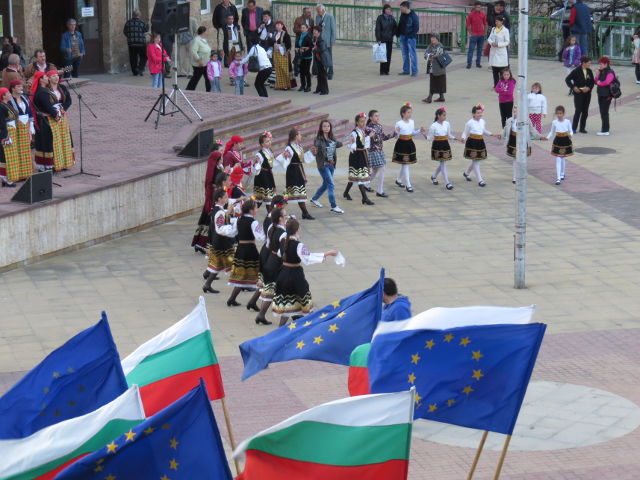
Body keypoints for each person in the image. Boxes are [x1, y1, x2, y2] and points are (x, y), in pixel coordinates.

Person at [272, 217, 338, 323]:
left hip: (283, 273)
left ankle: (283, 328)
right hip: (295, 276)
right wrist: (328, 253)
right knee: (300, 300)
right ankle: (305, 325)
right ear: (297, 229)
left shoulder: (284, 239)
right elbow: (309, 257)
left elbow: (280, 253)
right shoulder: (298, 245)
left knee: (287, 304)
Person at [226, 199, 266, 309]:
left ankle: (232, 298)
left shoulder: (239, 219)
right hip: (250, 250)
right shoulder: (253, 222)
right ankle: (253, 302)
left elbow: (231, 233)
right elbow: (260, 237)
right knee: (261, 275)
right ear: (251, 210)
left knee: (241, 276)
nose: (257, 209)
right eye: (256, 208)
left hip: (240, 249)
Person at [254, 206, 286, 325]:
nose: (286, 217)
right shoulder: (283, 233)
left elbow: (268, 245)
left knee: (268, 290)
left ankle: (261, 315)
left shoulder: (271, 228)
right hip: (277, 263)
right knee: (281, 291)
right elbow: (281, 252)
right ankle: (290, 317)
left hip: (269, 260)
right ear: (280, 218)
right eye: (285, 216)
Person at [202, 186, 237, 294]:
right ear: (219, 199)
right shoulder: (219, 212)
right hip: (222, 243)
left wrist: (228, 213)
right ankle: (241, 284)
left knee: (218, 265)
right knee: (232, 263)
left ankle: (207, 284)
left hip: (220, 242)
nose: (227, 199)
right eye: (225, 197)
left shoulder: (218, 210)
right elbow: (220, 227)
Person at [192, 141, 223, 254]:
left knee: (206, 221)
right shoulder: (216, 171)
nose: (222, 155)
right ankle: (204, 245)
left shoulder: (214, 168)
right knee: (211, 224)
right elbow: (219, 184)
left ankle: (199, 244)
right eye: (220, 153)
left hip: (211, 201)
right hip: (215, 201)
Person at [503, 105, 545, 183]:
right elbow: (505, 130)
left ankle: (522, 174)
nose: (515, 113)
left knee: (522, 159)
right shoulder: (510, 120)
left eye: (517, 112)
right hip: (513, 140)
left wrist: (540, 136)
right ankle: (515, 177)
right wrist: (500, 135)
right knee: (515, 159)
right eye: (514, 112)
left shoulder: (526, 120)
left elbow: (532, 130)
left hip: (522, 141)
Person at [310, 120, 344, 214]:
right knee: (331, 184)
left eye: (328, 126)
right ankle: (334, 206)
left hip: (331, 165)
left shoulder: (332, 138)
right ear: (321, 128)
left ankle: (314, 199)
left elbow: (339, 144)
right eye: (324, 126)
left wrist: (350, 140)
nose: (326, 128)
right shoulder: (318, 140)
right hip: (323, 165)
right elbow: (315, 151)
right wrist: (314, 152)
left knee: (326, 184)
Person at [462, 104, 501, 187]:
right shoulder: (469, 123)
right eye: (478, 113)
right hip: (472, 142)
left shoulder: (483, 121)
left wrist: (493, 134)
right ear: (473, 114)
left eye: (481, 113)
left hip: (480, 142)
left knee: (476, 160)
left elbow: (483, 131)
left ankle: (466, 173)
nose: (480, 114)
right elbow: (465, 132)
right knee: (476, 161)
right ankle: (480, 180)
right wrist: (463, 138)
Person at [343, 113, 375, 206]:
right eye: (361, 122)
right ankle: (365, 198)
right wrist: (353, 144)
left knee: (355, 176)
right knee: (360, 177)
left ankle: (345, 193)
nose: (363, 123)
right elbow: (351, 145)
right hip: (356, 156)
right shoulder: (354, 133)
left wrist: (369, 137)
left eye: (364, 121)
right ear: (357, 122)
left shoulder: (362, 131)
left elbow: (364, 142)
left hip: (362, 154)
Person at [283, 128, 315, 220]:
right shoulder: (289, 147)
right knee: (291, 192)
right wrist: (286, 156)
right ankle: (277, 208)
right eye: (300, 135)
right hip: (293, 171)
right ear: (295, 136)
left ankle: (305, 213)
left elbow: (303, 159)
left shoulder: (299, 146)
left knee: (300, 192)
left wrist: (311, 152)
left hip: (298, 170)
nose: (301, 136)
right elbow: (286, 159)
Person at [392, 103, 424, 193]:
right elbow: (396, 137)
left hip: (409, 143)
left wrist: (419, 131)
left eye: (411, 112)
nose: (410, 114)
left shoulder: (412, 122)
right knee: (405, 164)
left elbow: (412, 133)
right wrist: (397, 132)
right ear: (403, 114)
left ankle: (398, 180)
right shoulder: (399, 123)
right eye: (408, 112)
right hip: (402, 144)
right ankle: (408, 184)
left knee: (405, 163)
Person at [7, 80, 34, 183]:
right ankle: (17, 174)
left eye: (21, 87)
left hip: (25, 125)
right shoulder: (10, 101)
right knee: (17, 150)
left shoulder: (24, 98)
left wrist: (31, 126)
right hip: (16, 127)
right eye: (18, 87)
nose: (21, 88)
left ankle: (25, 173)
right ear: (13, 88)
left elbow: (29, 112)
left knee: (25, 150)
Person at [47, 71, 74, 171]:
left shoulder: (62, 88)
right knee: (56, 139)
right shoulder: (46, 90)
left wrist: (63, 108)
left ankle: (66, 162)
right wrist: (54, 111)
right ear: (49, 78)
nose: (56, 77)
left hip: (62, 114)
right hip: (53, 116)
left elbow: (69, 100)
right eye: (53, 76)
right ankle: (57, 164)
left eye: (57, 75)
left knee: (64, 137)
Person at [365, 109, 396, 198]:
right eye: (376, 116)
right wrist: (370, 136)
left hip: (379, 151)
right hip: (373, 151)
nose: (378, 117)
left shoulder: (379, 126)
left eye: (378, 116)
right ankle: (380, 190)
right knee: (382, 168)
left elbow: (383, 137)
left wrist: (394, 133)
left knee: (375, 169)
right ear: (370, 117)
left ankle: (366, 185)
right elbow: (365, 140)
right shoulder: (368, 128)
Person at [30, 72, 57, 172]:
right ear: (41, 80)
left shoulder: (39, 91)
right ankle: (47, 165)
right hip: (44, 121)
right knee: (46, 142)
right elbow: (48, 107)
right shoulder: (42, 92)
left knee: (41, 142)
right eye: (45, 77)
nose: (47, 78)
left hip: (40, 119)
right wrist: (56, 114)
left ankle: (42, 164)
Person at [427, 107, 458, 190]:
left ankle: (433, 176)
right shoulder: (433, 126)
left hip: (445, 144)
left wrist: (457, 138)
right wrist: (423, 134)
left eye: (445, 115)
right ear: (438, 116)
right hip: (437, 145)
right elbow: (429, 138)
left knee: (443, 163)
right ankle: (447, 183)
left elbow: (449, 135)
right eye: (443, 115)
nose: (445, 117)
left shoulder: (447, 123)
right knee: (443, 163)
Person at [565, 55, 594, 134]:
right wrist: (573, 87)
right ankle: (573, 128)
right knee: (578, 110)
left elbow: (592, 82)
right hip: (579, 93)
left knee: (585, 111)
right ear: (583, 63)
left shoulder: (589, 71)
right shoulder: (576, 71)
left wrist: (589, 88)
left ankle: (582, 128)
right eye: (588, 63)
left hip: (587, 94)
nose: (589, 64)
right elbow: (567, 79)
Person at [547, 105, 573, 185]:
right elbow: (551, 132)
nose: (559, 115)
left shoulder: (567, 122)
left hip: (565, 140)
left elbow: (571, 131)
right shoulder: (554, 122)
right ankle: (558, 178)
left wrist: (570, 135)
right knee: (558, 158)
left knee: (563, 158)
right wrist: (547, 138)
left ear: (563, 114)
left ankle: (562, 173)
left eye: (560, 113)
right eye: (557, 113)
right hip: (558, 140)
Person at [0, 87, 19, 187]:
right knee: (7, 157)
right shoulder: (1, 107)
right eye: (7, 93)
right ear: (3, 96)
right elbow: (2, 124)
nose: (10, 94)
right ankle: (7, 179)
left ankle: (6, 178)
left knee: (10, 156)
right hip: (7, 133)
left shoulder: (7, 104)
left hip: (11, 131)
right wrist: (5, 137)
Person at [253, 132, 277, 207]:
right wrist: (257, 163)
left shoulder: (270, 151)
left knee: (268, 198)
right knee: (263, 199)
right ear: (262, 144)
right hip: (262, 176)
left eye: (269, 141)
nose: (269, 142)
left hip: (268, 174)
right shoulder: (259, 154)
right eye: (267, 141)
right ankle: (249, 212)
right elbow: (256, 167)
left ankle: (269, 217)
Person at [123, 10, 149, 77]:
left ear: (133, 15)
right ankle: (140, 68)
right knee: (144, 56)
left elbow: (125, 31)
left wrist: (130, 37)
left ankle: (135, 72)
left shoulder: (128, 23)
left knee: (133, 57)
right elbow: (146, 30)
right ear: (139, 15)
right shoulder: (142, 23)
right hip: (141, 43)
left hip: (131, 43)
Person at [423, 34, 447, 104]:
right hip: (431, 67)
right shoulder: (430, 46)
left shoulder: (440, 46)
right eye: (431, 38)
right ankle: (441, 97)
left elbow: (436, 54)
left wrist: (430, 55)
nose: (432, 39)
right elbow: (425, 55)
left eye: (434, 38)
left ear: (437, 39)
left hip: (439, 68)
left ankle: (429, 98)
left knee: (440, 82)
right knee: (433, 81)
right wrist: (430, 56)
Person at [594, 56, 615, 136]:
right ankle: (604, 129)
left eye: (601, 64)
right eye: (599, 64)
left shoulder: (610, 72)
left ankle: (605, 130)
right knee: (602, 112)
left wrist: (599, 82)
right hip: (600, 94)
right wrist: (597, 75)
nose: (600, 65)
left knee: (604, 112)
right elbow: (595, 81)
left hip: (607, 95)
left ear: (606, 64)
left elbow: (607, 82)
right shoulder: (601, 71)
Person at [397, 1, 419, 77]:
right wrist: (398, 33)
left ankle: (414, 71)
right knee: (404, 55)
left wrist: (410, 36)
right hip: (403, 36)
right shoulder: (402, 15)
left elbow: (416, 28)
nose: (400, 9)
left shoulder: (414, 16)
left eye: (401, 8)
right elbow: (400, 24)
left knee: (412, 55)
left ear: (406, 7)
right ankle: (406, 70)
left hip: (411, 38)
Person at [187, 26, 212, 92]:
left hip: (206, 62)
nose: (207, 33)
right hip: (199, 64)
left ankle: (209, 90)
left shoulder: (204, 39)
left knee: (208, 77)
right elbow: (193, 51)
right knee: (196, 78)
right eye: (206, 31)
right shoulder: (196, 40)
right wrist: (199, 60)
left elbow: (206, 50)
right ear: (203, 32)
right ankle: (189, 90)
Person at [315, 4, 336, 80]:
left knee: (328, 57)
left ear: (323, 10)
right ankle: (322, 72)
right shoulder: (317, 17)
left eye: (318, 10)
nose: (317, 12)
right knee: (320, 57)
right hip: (320, 41)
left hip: (327, 41)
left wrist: (333, 40)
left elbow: (333, 29)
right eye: (317, 11)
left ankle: (330, 73)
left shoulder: (330, 17)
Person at [375, 4, 397, 76]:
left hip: (389, 39)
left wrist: (392, 34)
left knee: (388, 55)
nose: (388, 11)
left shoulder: (392, 18)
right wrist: (378, 38)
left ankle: (387, 70)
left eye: (389, 9)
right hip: (382, 39)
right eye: (387, 9)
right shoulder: (380, 18)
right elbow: (377, 29)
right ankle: (382, 71)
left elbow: (395, 27)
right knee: (382, 55)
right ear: (384, 10)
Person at [488, 15, 510, 87]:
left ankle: (503, 85)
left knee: (502, 72)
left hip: (501, 52)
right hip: (494, 52)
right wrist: (492, 43)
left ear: (502, 22)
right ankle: (496, 86)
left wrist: (498, 44)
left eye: (498, 21)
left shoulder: (505, 30)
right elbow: (489, 39)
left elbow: (507, 42)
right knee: (494, 71)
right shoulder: (493, 29)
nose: (496, 23)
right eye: (496, 21)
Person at [466, 2, 488, 69]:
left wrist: (485, 32)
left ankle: (478, 63)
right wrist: (470, 32)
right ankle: (469, 64)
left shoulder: (483, 14)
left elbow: (485, 24)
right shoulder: (470, 15)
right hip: (474, 35)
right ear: (474, 7)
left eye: (480, 7)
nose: (479, 8)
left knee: (479, 50)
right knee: (471, 50)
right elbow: (468, 24)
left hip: (481, 35)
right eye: (477, 7)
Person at [272, 21, 292, 90]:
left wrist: (280, 46)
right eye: (276, 25)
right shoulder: (275, 34)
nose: (277, 26)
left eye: (279, 25)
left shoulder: (286, 34)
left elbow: (289, 45)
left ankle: (286, 85)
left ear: (282, 26)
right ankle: (279, 84)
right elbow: (272, 43)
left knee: (284, 69)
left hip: (283, 54)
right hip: (276, 54)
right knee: (277, 69)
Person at [312, 26, 330, 95]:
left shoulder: (321, 39)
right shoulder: (315, 38)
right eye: (313, 30)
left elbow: (322, 49)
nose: (314, 32)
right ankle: (319, 89)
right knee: (319, 75)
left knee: (323, 75)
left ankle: (325, 90)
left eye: (315, 31)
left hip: (322, 59)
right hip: (317, 58)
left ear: (319, 32)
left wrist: (315, 49)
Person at [296, 24, 313, 92]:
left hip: (307, 57)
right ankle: (302, 85)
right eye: (301, 28)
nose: (302, 29)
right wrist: (297, 48)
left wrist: (305, 49)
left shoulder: (308, 36)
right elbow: (298, 44)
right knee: (301, 71)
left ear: (307, 29)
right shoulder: (300, 36)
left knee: (306, 71)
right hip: (301, 56)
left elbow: (311, 47)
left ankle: (308, 86)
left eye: (304, 28)